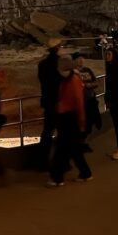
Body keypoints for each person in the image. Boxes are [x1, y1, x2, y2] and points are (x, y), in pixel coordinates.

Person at [48, 55, 93, 186]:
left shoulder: (72, 80)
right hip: (68, 117)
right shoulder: (69, 79)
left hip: (69, 117)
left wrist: (81, 121)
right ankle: (85, 173)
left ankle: (57, 177)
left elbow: (79, 102)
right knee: (73, 149)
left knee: (63, 148)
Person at [36, 38, 63, 170]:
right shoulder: (60, 64)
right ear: (58, 48)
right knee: (63, 133)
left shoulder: (42, 65)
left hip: (48, 101)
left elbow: (42, 81)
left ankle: (42, 162)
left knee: (47, 132)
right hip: (60, 102)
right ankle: (62, 164)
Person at [73, 54, 101, 151]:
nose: (81, 60)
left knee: (89, 122)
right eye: (78, 59)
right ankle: (80, 143)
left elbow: (96, 82)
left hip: (90, 99)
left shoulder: (88, 70)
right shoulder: (73, 72)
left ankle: (84, 142)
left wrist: (90, 85)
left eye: (82, 58)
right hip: (80, 101)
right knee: (81, 123)